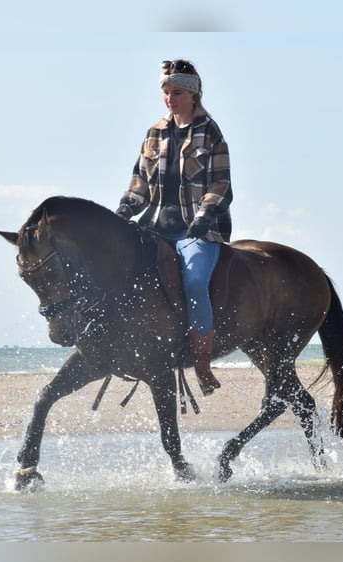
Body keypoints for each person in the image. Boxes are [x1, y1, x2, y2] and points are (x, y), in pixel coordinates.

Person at [116, 58, 233, 395]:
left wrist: (203, 216)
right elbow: (140, 181)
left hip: (198, 230)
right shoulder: (154, 132)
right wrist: (127, 206)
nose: (170, 98)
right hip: (154, 226)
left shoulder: (210, 131)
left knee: (195, 282)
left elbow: (221, 183)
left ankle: (201, 366)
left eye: (177, 92)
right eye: (166, 92)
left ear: (193, 94)